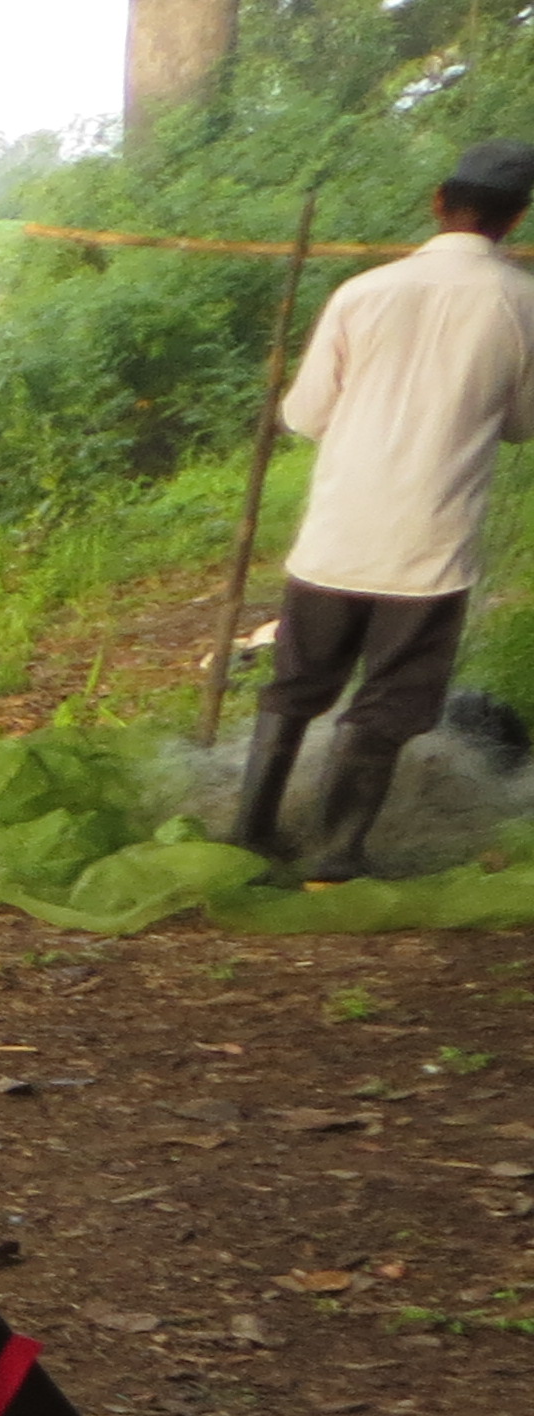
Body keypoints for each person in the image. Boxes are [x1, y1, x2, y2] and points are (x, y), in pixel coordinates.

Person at [239, 139, 534, 883]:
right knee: (393, 697)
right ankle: (336, 851)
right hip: (432, 540)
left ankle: (249, 832)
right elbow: (524, 423)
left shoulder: (362, 293)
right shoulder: (523, 302)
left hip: (338, 532)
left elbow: (305, 414)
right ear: (517, 218)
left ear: (439, 201)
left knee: (297, 683)